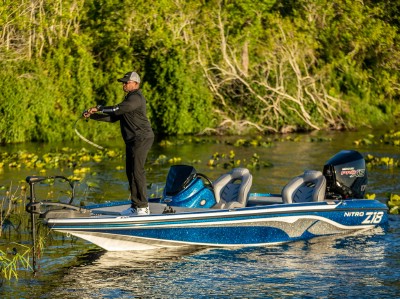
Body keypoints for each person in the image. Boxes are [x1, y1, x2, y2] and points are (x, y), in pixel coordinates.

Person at [83, 71, 154, 216]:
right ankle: (135, 205)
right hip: (132, 140)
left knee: (137, 171)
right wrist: (93, 116)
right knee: (130, 172)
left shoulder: (136, 98)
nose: (123, 84)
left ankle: (143, 207)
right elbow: (113, 117)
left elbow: (116, 109)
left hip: (142, 138)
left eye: (126, 82)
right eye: (123, 82)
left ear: (135, 84)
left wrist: (99, 107)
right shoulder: (128, 99)